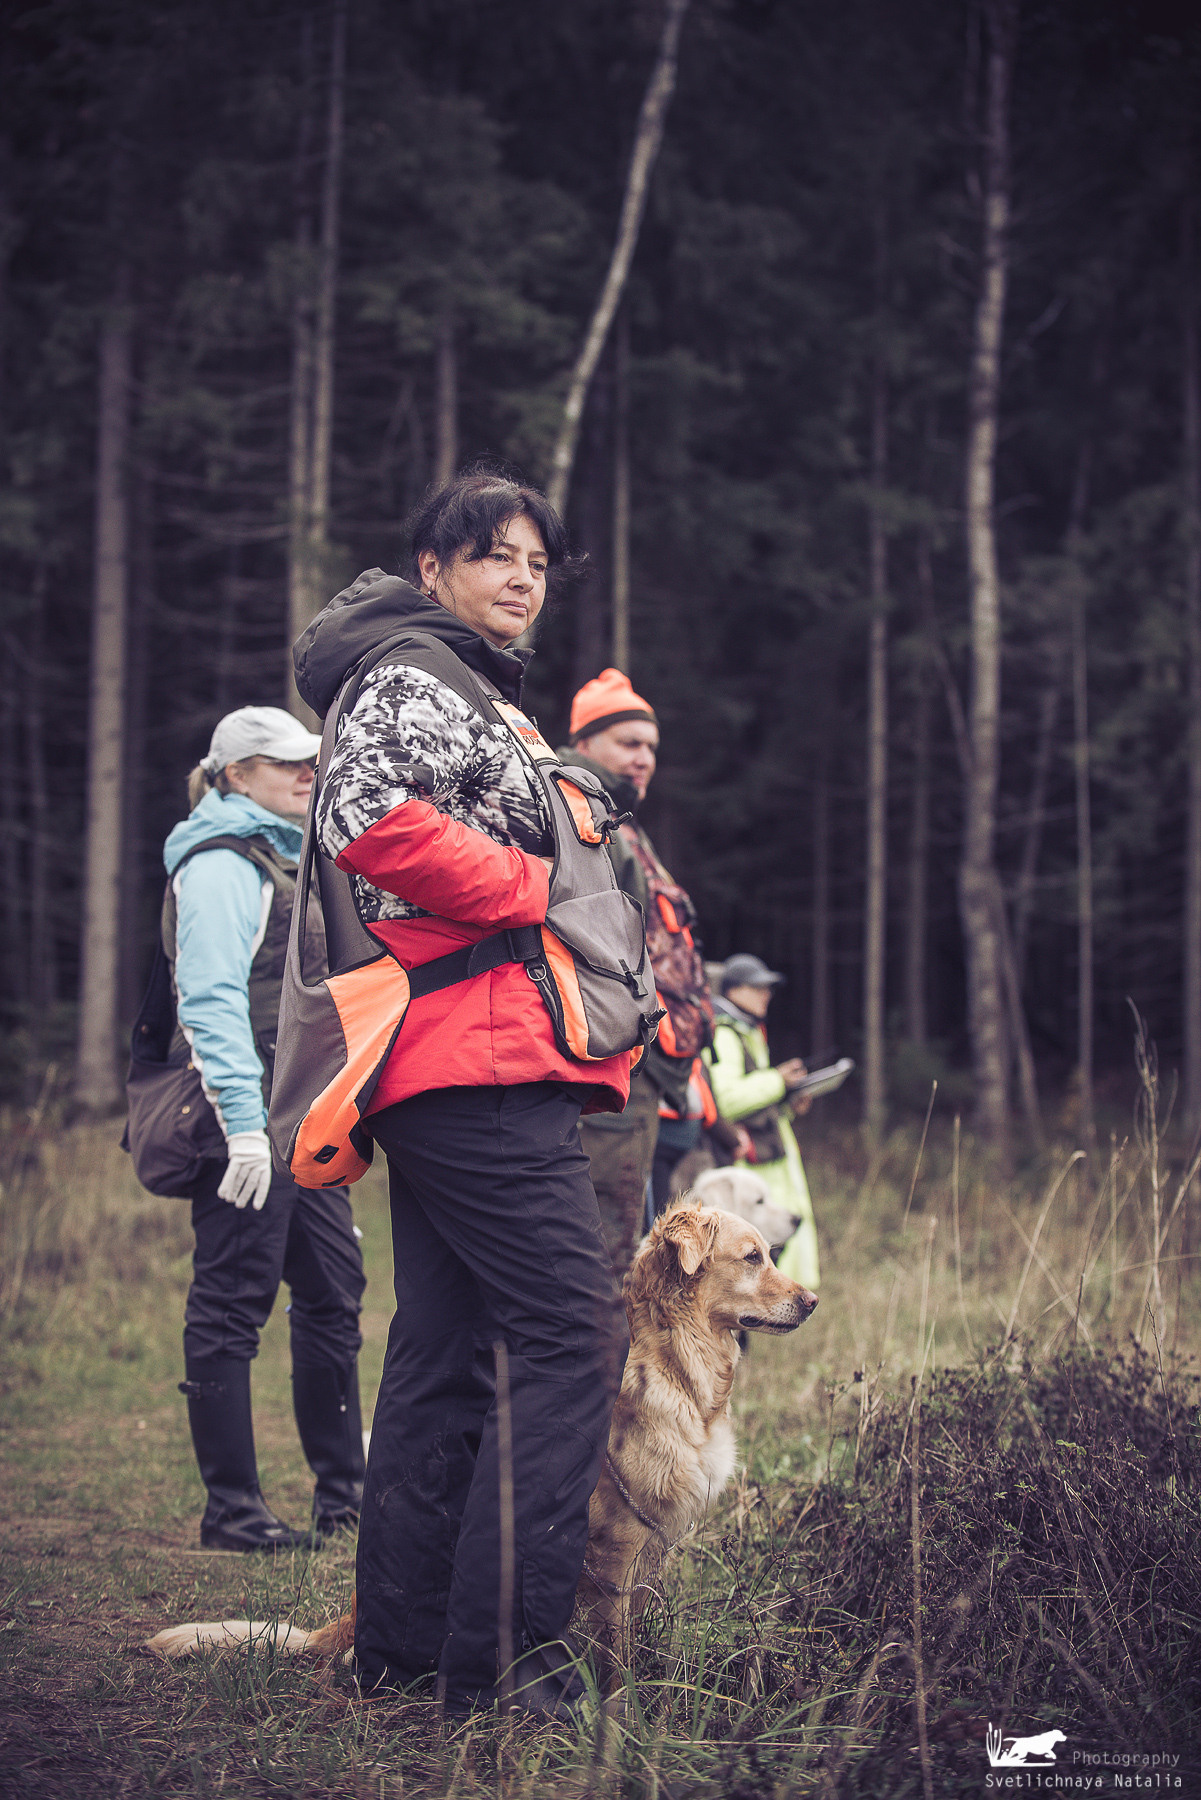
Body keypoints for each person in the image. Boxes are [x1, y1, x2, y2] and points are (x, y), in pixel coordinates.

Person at [294, 471, 638, 1718]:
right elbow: (367, 818)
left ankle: (399, 1648)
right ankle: (505, 1667)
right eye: (494, 555)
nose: (521, 578)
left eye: (538, 564)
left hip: (466, 1059)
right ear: (431, 569)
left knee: (445, 1351)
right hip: (477, 1056)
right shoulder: (409, 673)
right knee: (570, 1337)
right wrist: (529, 887)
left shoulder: (463, 684)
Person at [163, 706, 367, 1551]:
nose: (304, 772)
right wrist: (245, 1130)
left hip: (301, 1123)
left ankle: (345, 1499)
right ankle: (234, 1513)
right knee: (231, 1305)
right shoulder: (219, 862)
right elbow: (208, 1002)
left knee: (333, 1293)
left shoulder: (291, 856)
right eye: (282, 762)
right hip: (238, 1122)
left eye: (308, 760)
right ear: (235, 774)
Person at [560, 668, 714, 1268]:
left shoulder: (621, 820)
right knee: (606, 1257)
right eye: (628, 743)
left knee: (621, 1245)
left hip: (638, 1074)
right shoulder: (586, 815)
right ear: (586, 743)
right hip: (611, 1073)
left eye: (651, 746)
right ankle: (595, 1365)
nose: (644, 758)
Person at [706, 953, 821, 1290]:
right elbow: (725, 1099)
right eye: (757, 987)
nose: (765, 994)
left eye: (768, 988)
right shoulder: (726, 1034)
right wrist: (777, 1082)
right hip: (751, 1171)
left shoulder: (747, 1031)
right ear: (732, 990)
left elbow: (754, 1104)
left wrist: (786, 1104)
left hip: (766, 1166)